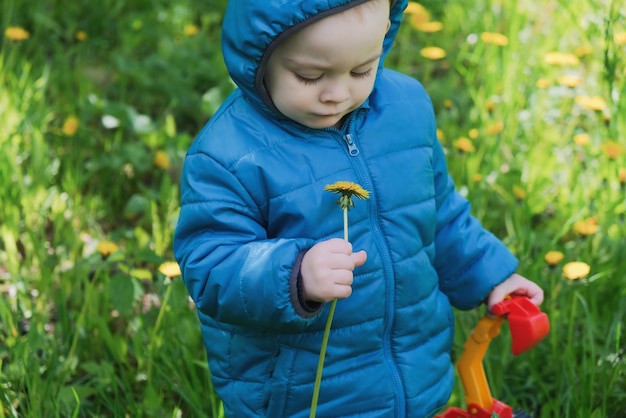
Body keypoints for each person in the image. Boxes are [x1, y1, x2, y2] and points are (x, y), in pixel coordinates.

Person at [173, 0, 544, 416]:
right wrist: (293, 275)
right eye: (309, 76)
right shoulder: (230, 154)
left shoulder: (405, 110)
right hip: (303, 393)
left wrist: (490, 275)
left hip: (415, 368)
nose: (337, 94)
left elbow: (438, 210)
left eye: (362, 70)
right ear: (259, 58)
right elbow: (209, 265)